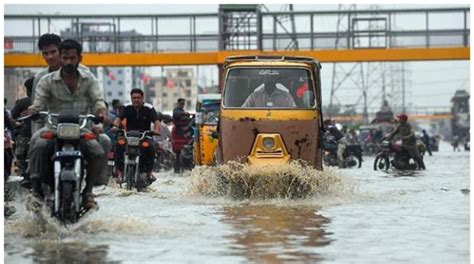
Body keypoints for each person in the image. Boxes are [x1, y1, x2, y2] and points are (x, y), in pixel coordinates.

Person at [26, 39, 109, 209]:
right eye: (65, 58)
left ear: (79, 58)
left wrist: (101, 115)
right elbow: (39, 102)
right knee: (37, 145)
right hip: (53, 128)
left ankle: (89, 192)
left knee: (98, 149)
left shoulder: (89, 79)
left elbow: (98, 101)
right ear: (61, 58)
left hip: (82, 128)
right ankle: (36, 193)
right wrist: (34, 110)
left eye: (72, 58)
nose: (68, 62)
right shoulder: (46, 80)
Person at [112, 89, 160, 183]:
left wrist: (156, 130)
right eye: (134, 98)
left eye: (138, 98)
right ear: (131, 98)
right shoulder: (126, 107)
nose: (136, 100)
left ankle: (149, 172)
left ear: (142, 98)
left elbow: (156, 121)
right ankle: (120, 173)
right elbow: (118, 118)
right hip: (129, 135)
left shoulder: (149, 108)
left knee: (151, 147)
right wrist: (115, 126)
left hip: (144, 136)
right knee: (119, 145)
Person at [11, 77, 34, 188]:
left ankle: (25, 176)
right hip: (45, 133)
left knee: (20, 155)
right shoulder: (50, 101)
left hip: (26, 134)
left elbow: (12, 116)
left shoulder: (22, 102)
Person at [172, 98, 192, 173]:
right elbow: (176, 114)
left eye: (183, 104)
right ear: (178, 103)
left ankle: (182, 168)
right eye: (181, 104)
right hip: (179, 134)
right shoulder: (176, 110)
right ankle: (177, 169)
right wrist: (185, 114)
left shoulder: (181, 111)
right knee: (177, 154)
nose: (182, 105)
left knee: (180, 154)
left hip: (183, 135)